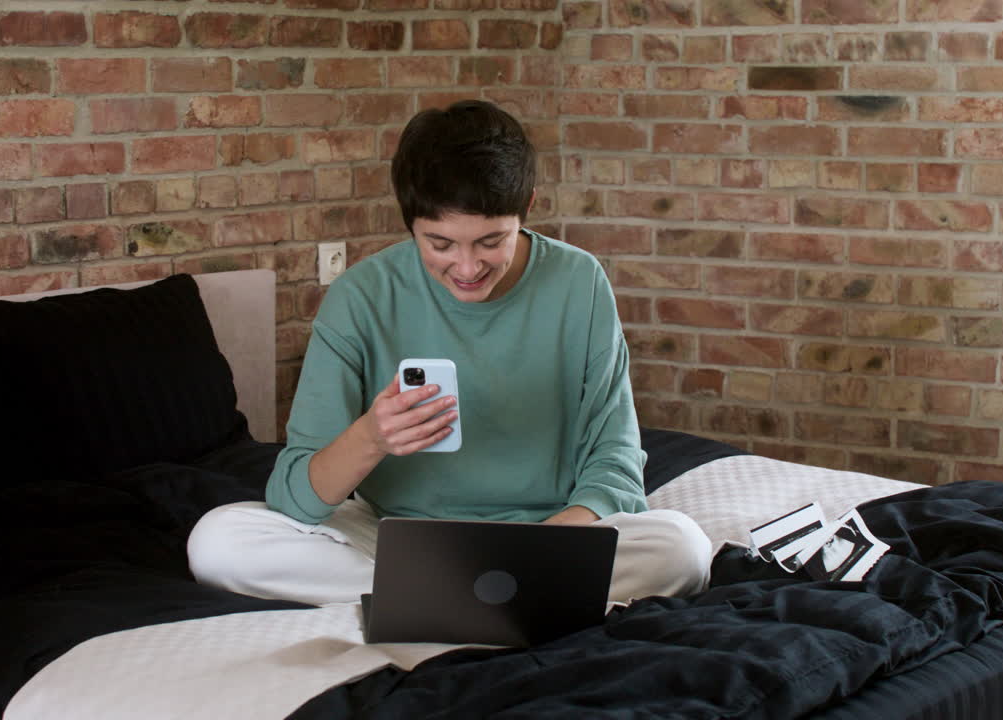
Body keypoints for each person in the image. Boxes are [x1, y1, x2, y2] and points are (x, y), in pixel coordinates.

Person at [187, 99, 712, 607]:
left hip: (547, 538)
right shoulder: (361, 296)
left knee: (682, 549)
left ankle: (437, 595)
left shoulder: (578, 281)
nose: (466, 268)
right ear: (409, 222)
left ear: (527, 207)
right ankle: (492, 594)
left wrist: (539, 549)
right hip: (398, 538)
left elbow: (615, 464)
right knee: (218, 541)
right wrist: (371, 437)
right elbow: (292, 495)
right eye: (440, 244)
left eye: (490, 241)